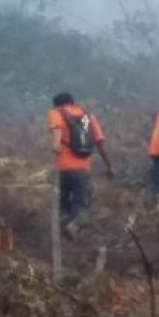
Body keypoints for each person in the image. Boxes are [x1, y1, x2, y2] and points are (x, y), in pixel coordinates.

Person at [48, 92, 114, 238]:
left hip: (62, 169)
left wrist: (56, 144)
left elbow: (57, 131)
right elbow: (99, 143)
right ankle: (73, 230)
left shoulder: (56, 112)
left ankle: (64, 238)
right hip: (82, 170)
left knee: (62, 208)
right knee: (81, 211)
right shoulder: (88, 116)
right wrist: (109, 165)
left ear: (57, 104)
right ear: (72, 102)